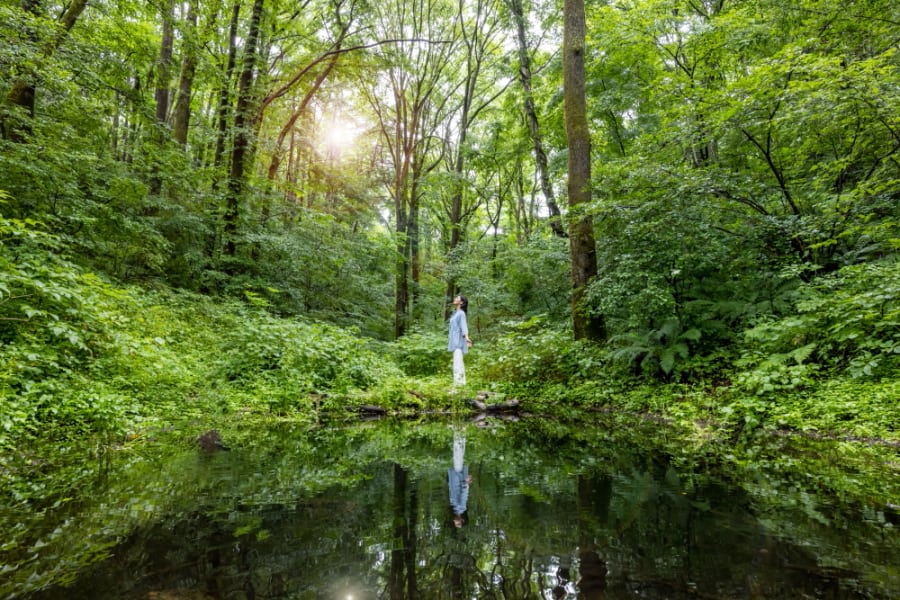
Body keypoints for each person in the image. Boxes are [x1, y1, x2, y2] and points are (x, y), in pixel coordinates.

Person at [447, 295, 472, 389]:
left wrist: (467, 338)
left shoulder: (461, 313)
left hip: (458, 342)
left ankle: (457, 388)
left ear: (461, 302)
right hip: (454, 342)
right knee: (458, 363)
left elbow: (463, 326)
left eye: (457, 298)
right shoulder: (456, 313)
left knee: (457, 365)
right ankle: (461, 386)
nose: (455, 299)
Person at [448, 426, 471, 528]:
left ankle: (460, 431)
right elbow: (464, 494)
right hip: (459, 476)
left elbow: (451, 489)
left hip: (455, 476)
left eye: (455, 524)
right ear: (462, 519)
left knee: (459, 454)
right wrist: (466, 483)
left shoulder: (455, 508)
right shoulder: (461, 507)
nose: (454, 522)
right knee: (458, 453)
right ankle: (459, 431)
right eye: (457, 523)